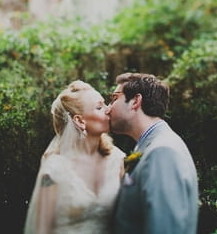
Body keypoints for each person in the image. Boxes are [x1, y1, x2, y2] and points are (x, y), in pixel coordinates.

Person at [24, 80, 125, 234]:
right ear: (79, 120)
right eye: (99, 107)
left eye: (105, 104)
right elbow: (41, 229)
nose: (108, 109)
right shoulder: (54, 169)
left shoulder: (116, 159)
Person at [108, 72, 199, 234]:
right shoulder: (149, 147)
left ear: (135, 101)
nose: (108, 108)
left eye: (114, 98)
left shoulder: (162, 151)